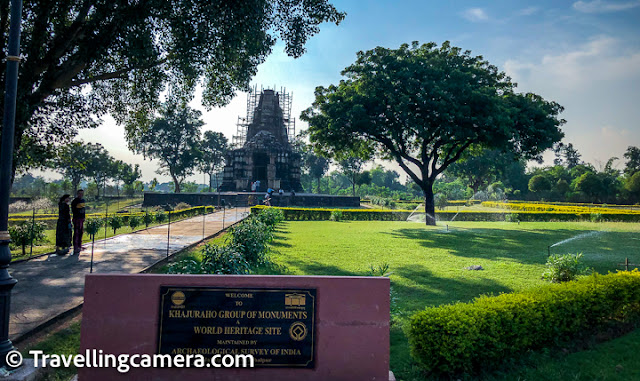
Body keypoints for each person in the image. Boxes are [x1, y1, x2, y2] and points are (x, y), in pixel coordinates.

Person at [71, 189, 86, 255]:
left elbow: (83, 210)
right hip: (76, 218)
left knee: (81, 232)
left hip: (81, 219)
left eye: (82, 194)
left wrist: (83, 217)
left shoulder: (83, 201)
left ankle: (79, 245)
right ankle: (75, 247)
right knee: (76, 233)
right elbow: (74, 210)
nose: (81, 195)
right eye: (80, 193)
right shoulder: (75, 201)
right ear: (77, 194)